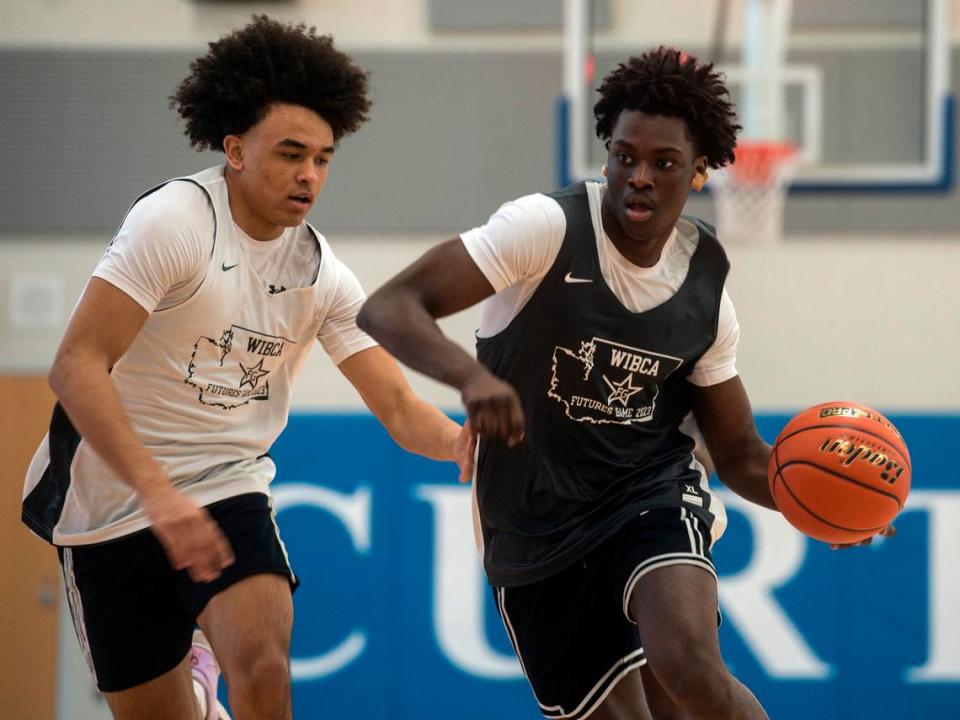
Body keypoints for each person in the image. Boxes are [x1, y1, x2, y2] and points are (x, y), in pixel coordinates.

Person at [358, 47, 874, 720]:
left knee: (690, 665)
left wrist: (818, 500)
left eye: (664, 164)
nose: (639, 177)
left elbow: (743, 454)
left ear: (697, 175)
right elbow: (389, 305)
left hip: (646, 493)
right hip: (531, 523)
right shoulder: (544, 229)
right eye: (625, 156)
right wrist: (470, 377)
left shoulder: (704, 293)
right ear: (606, 155)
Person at [21, 16, 470, 720]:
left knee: (263, 666)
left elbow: (398, 406)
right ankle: (199, 697)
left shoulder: (321, 274)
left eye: (323, 158)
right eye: (291, 153)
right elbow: (75, 366)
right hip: (107, 498)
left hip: (227, 485)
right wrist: (161, 501)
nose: (309, 175)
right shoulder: (176, 223)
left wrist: (466, 444)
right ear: (233, 149)